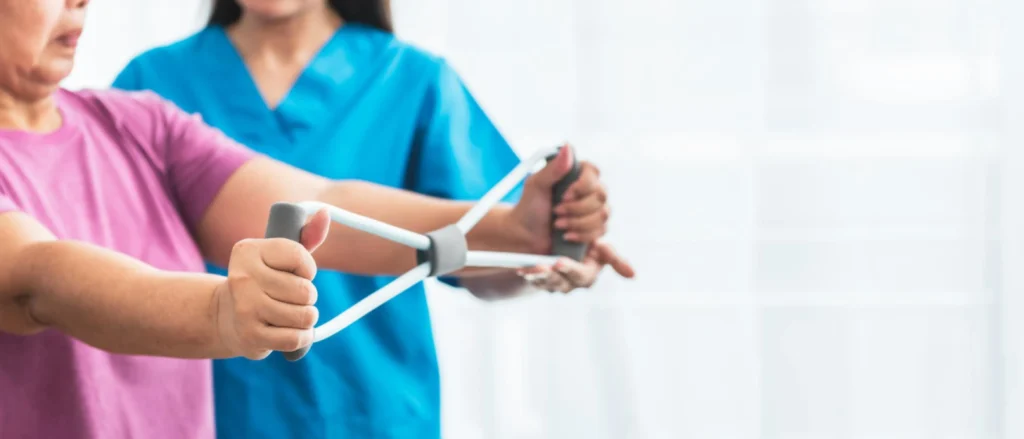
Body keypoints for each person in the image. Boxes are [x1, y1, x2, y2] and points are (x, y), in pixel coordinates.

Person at [0, 1, 633, 438]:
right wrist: (224, 313)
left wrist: (515, 231)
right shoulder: (160, 79)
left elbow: (320, 202)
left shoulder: (136, 122)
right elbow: (40, 276)